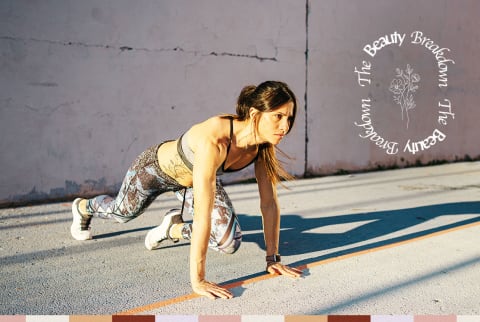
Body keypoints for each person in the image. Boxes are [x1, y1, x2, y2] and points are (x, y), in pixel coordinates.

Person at [70, 80, 303, 299]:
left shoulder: (262, 147)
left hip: (190, 183)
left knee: (228, 241)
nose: (285, 126)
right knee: (120, 214)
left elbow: (269, 203)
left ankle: (173, 229)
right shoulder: (215, 139)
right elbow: (202, 215)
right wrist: (198, 280)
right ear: (255, 114)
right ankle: (83, 207)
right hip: (154, 171)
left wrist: (272, 259)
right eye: (278, 116)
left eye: (289, 118)